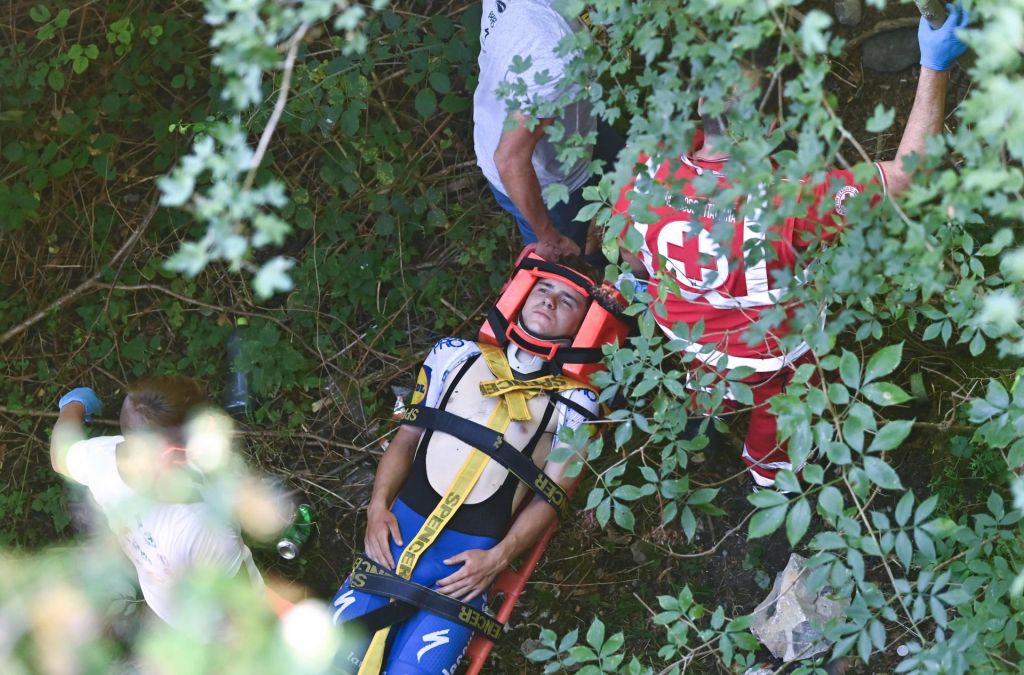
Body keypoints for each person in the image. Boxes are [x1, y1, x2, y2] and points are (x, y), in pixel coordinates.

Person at [613, 7, 970, 489]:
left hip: (685, 331)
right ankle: (768, 470)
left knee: (707, 376)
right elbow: (909, 174)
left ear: (701, 103)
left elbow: (632, 258)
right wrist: (935, 65)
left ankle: (702, 413)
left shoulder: (644, 170)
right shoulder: (791, 200)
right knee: (781, 403)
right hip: (768, 353)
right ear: (772, 127)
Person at [331, 250, 628, 674]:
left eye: (568, 301)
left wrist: (499, 558)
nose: (549, 301)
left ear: (585, 324)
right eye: (543, 289)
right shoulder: (452, 356)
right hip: (391, 537)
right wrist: (377, 508)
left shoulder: (577, 405)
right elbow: (406, 438)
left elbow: (553, 497)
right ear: (522, 293)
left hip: (466, 569)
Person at [49, 376, 265, 633]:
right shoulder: (206, 528)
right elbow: (244, 605)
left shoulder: (101, 458)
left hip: (164, 603)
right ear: (173, 454)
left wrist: (73, 405)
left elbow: (60, 456)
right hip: (218, 624)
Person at [473, 0, 622, 260]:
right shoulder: (551, 55)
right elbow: (509, 160)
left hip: (574, 126)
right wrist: (547, 235)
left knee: (630, 172)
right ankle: (601, 274)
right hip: (547, 180)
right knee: (569, 260)